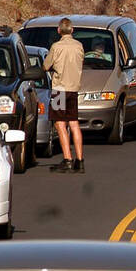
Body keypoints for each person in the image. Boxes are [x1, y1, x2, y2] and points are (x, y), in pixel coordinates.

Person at [43, 18, 85, 173]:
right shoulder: (79, 46)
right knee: (74, 123)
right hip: (73, 89)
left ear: (59, 30)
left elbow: (46, 65)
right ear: (72, 30)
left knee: (60, 124)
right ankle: (80, 160)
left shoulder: (56, 46)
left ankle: (67, 158)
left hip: (59, 89)